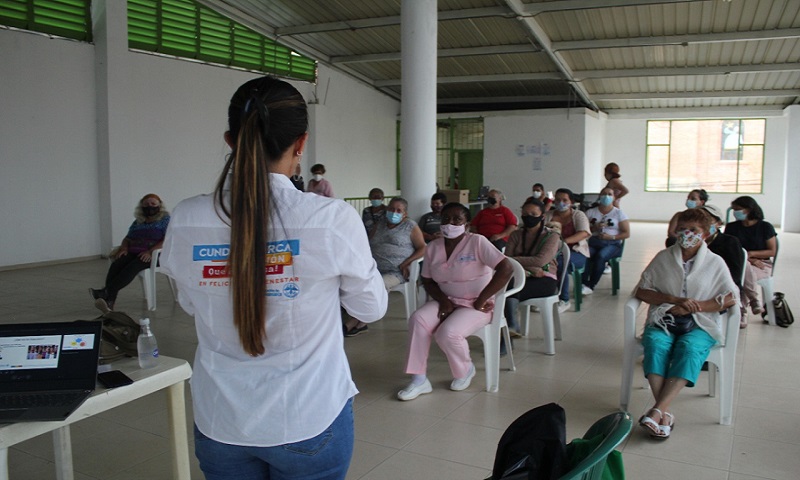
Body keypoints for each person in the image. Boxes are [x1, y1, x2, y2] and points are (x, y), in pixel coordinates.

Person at [160, 76, 387, 480]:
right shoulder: (330, 219)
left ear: (231, 140)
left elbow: (190, 302)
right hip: (307, 417)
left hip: (222, 420)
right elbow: (371, 307)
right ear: (301, 143)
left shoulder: (187, 217)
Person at [634, 208, 738, 439]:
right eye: (682, 229)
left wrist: (696, 306)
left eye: (693, 230)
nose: (686, 234)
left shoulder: (715, 262)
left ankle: (658, 410)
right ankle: (663, 413)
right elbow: (643, 290)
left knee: (689, 348)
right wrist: (674, 300)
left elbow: (731, 297)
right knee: (655, 343)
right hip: (666, 317)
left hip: (701, 322)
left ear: (706, 233)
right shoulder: (663, 257)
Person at [398, 203, 513, 400]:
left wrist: (482, 299)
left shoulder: (477, 242)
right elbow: (427, 280)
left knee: (448, 333)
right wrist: (443, 301)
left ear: (466, 224)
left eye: (457, 219)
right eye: (446, 219)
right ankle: (419, 380)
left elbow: (506, 268)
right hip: (447, 300)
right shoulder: (433, 247)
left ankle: (465, 369)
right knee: (418, 319)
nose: (450, 223)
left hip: (477, 304)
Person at [344, 197, 426, 336]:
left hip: (396, 271)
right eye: (391, 209)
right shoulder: (380, 223)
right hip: (372, 267)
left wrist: (407, 262)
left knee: (376, 285)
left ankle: (355, 322)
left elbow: (423, 248)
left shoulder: (410, 226)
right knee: (350, 281)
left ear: (405, 213)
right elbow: (368, 242)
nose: (394, 212)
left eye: (398, 210)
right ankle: (356, 316)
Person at [89, 194, 170, 311]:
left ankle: (107, 293)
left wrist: (150, 251)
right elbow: (127, 238)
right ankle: (109, 300)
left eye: (153, 204)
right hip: (134, 251)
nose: (150, 206)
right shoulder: (138, 221)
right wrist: (124, 248)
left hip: (155, 254)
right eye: (146, 204)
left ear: (159, 205)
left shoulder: (165, 220)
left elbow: (167, 239)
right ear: (141, 206)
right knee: (117, 264)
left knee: (132, 267)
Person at [503, 199, 560, 336]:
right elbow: (507, 260)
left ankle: (509, 329)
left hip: (545, 279)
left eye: (533, 214)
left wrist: (519, 262)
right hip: (521, 275)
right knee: (504, 288)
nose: (529, 217)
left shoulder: (551, 236)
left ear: (542, 217)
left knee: (509, 291)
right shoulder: (516, 234)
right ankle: (506, 332)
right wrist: (532, 269)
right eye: (525, 213)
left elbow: (541, 261)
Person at [724, 196, 777, 325]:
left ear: (749, 210)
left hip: (762, 264)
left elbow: (772, 251)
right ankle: (754, 300)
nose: (735, 212)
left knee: (743, 273)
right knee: (744, 268)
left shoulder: (765, 227)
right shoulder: (731, 228)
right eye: (734, 209)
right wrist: (748, 259)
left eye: (738, 209)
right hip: (740, 262)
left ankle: (742, 312)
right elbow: (728, 249)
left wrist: (750, 255)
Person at [545, 188, 590, 311]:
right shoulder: (549, 215)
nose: (561, 202)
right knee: (542, 262)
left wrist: (562, 243)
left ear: (571, 201)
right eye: (558, 200)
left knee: (562, 262)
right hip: (552, 252)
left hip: (576, 252)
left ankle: (564, 300)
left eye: (565, 200)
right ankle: (545, 297)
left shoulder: (578, 215)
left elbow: (584, 233)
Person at [581, 187, 630, 295]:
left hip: (613, 244)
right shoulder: (590, 212)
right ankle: (583, 283)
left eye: (609, 194)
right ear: (599, 196)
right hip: (594, 242)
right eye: (604, 194)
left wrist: (611, 237)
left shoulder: (619, 213)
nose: (606, 196)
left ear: (614, 198)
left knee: (601, 256)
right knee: (584, 254)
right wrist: (594, 228)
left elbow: (626, 233)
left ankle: (591, 285)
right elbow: (582, 229)